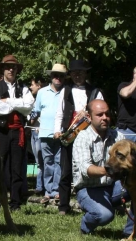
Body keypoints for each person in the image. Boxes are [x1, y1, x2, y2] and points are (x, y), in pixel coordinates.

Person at [73, 99, 133, 235]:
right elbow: (86, 169)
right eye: (100, 115)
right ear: (89, 117)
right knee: (105, 215)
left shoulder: (119, 136)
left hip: (113, 187)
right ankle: (85, 226)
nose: (105, 118)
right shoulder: (82, 138)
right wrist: (109, 171)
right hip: (88, 189)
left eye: (107, 114)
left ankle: (131, 232)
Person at [53, 59, 104, 215]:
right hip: (69, 133)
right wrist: (57, 130)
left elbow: (101, 110)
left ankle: (91, 204)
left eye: (80, 73)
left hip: (88, 134)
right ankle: (63, 206)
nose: (77, 76)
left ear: (85, 74)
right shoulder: (65, 89)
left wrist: (87, 112)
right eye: (74, 73)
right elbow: (60, 112)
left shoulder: (95, 91)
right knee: (66, 170)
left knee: (88, 169)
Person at [0, 54, 35, 211]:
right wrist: (17, 105)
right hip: (0, 131)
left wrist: (8, 102)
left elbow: (29, 106)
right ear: (3, 70)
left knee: (17, 168)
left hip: (18, 132)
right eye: (8, 67)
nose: (11, 70)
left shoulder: (24, 88)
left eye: (13, 67)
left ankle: (15, 202)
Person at [32, 64, 67, 203]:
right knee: (47, 162)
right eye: (55, 75)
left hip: (61, 133)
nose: (58, 78)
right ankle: (48, 191)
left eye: (61, 76)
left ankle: (57, 190)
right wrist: (34, 125)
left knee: (59, 162)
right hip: (45, 133)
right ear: (51, 77)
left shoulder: (67, 91)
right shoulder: (42, 92)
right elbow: (36, 110)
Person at [29, 77, 46, 195]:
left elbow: (34, 116)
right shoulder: (34, 99)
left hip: (40, 131)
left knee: (42, 160)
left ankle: (41, 187)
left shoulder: (42, 98)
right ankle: (39, 185)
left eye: (33, 84)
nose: (31, 87)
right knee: (37, 160)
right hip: (33, 132)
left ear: (39, 86)